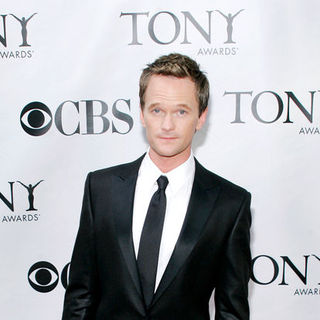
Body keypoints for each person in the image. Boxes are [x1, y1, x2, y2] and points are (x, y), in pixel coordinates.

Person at [62, 53, 252, 320]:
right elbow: (80, 296)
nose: (167, 125)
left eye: (181, 111)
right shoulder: (101, 188)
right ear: (142, 114)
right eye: (157, 110)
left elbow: (232, 312)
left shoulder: (230, 204)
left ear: (201, 117)